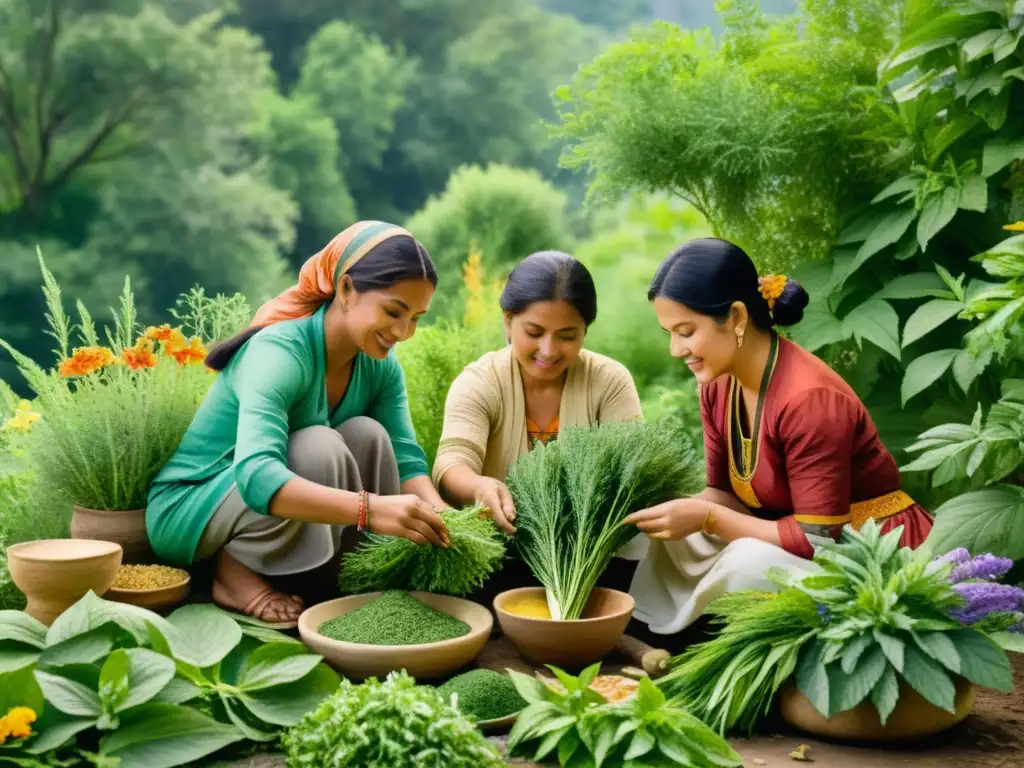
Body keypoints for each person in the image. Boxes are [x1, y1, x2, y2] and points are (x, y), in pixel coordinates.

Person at [147, 221, 450, 627]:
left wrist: (446, 518)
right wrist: (370, 509)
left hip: (269, 504)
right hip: (196, 505)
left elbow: (406, 459)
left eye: (415, 318)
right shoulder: (280, 352)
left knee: (368, 436)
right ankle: (234, 571)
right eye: (393, 311)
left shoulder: (380, 367)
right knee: (318, 446)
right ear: (345, 290)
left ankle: (346, 578)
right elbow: (256, 476)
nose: (402, 332)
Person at [626, 238, 934, 636]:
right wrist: (676, 510)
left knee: (746, 563)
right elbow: (722, 494)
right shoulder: (718, 386)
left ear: (736, 316)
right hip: (786, 533)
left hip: (865, 550)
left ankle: (708, 638)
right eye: (669, 333)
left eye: (686, 332)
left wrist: (707, 516)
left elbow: (817, 537)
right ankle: (655, 637)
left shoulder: (810, 400)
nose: (674, 349)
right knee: (675, 537)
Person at [433, 251, 647, 597]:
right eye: (534, 332)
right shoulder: (479, 382)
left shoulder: (609, 380)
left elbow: (634, 470)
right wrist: (479, 487)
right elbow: (451, 463)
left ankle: (613, 614)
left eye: (567, 336)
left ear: (585, 330)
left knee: (648, 531)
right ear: (507, 321)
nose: (548, 350)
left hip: (586, 554)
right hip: (500, 548)